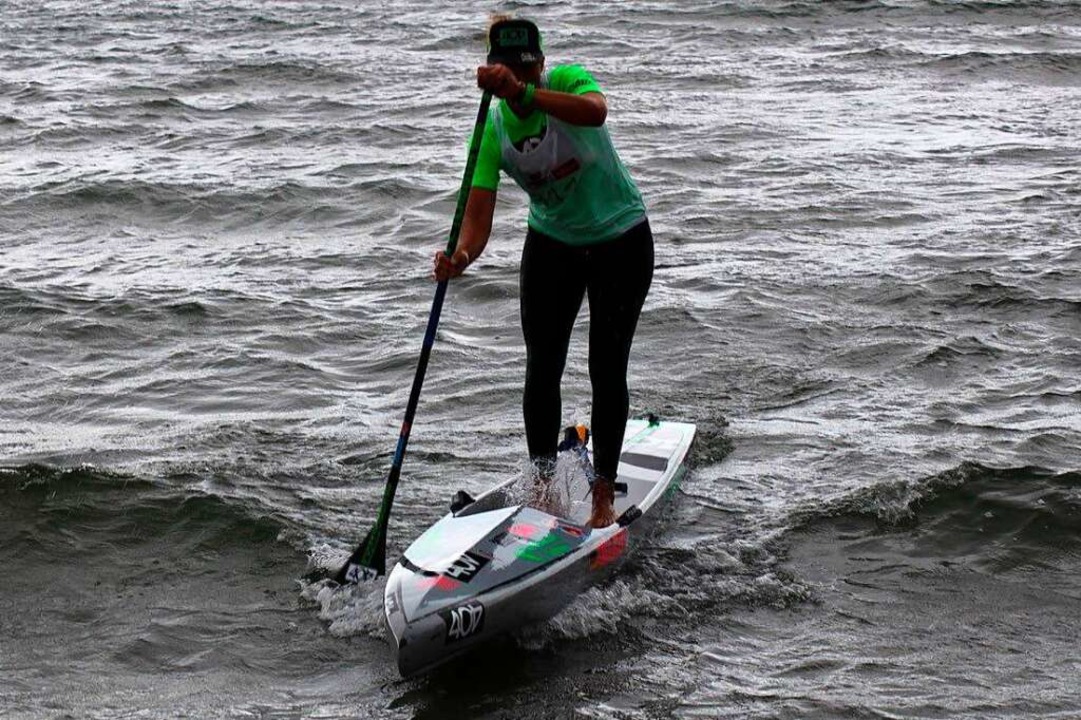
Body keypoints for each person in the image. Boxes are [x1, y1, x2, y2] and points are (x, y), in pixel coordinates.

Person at [433, 16, 654, 529]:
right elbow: (478, 220)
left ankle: (602, 495)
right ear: (492, 71)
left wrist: (530, 94)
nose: (518, 80)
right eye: (507, 71)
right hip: (553, 245)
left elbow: (597, 112)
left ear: (541, 65)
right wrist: (459, 260)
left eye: (527, 69)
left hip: (620, 238)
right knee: (542, 368)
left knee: (606, 365)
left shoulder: (567, 82)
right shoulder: (491, 127)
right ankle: (544, 487)